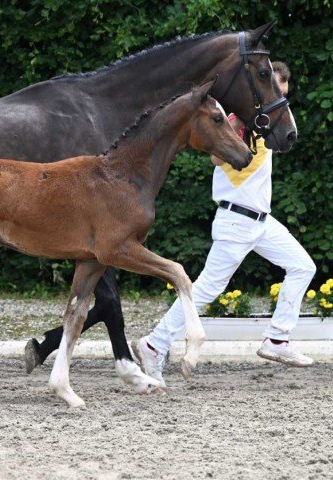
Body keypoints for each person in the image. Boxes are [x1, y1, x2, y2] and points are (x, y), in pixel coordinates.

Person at [134, 62, 316, 388]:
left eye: (283, 95)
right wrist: (240, 131)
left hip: (261, 220)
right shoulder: (237, 121)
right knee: (205, 290)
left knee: (303, 267)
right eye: (276, 91)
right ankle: (154, 343)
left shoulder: (265, 121)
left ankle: (276, 340)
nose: (278, 98)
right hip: (236, 220)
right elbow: (217, 158)